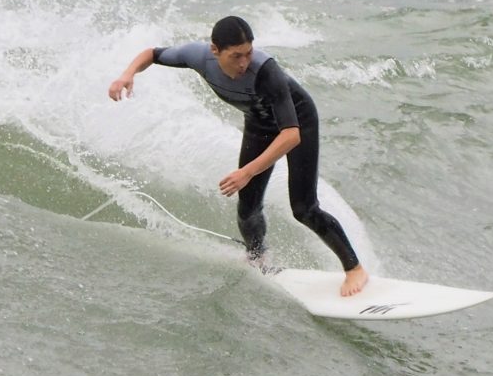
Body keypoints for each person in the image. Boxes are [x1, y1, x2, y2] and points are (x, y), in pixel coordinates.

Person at [107, 15, 369, 296]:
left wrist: (247, 172)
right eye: (236, 56)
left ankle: (354, 269)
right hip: (259, 125)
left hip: (298, 122)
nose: (244, 63)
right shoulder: (197, 56)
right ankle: (258, 257)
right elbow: (153, 54)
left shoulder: (266, 72)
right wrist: (127, 74)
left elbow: (291, 135)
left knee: (304, 208)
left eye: (249, 53)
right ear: (215, 50)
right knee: (247, 209)